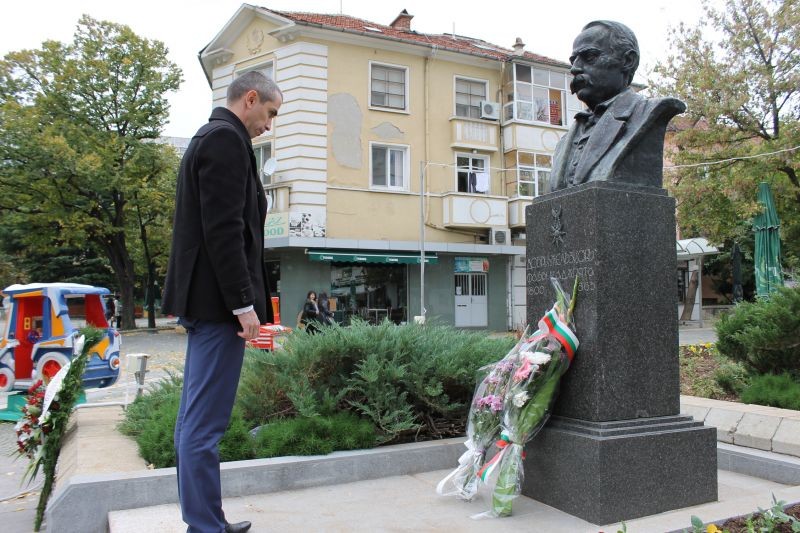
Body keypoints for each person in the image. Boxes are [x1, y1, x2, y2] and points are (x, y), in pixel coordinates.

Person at [161, 70, 282, 533]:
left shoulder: (211, 137)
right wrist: (243, 305)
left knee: (194, 421)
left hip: (206, 303)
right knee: (203, 425)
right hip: (217, 308)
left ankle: (206, 521)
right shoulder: (226, 141)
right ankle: (205, 527)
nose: (269, 124)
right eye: (270, 112)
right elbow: (225, 231)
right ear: (250, 99)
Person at [548, 20, 686, 192]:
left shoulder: (649, 113)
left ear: (628, 60)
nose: (574, 68)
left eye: (589, 57)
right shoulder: (564, 142)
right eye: (573, 60)